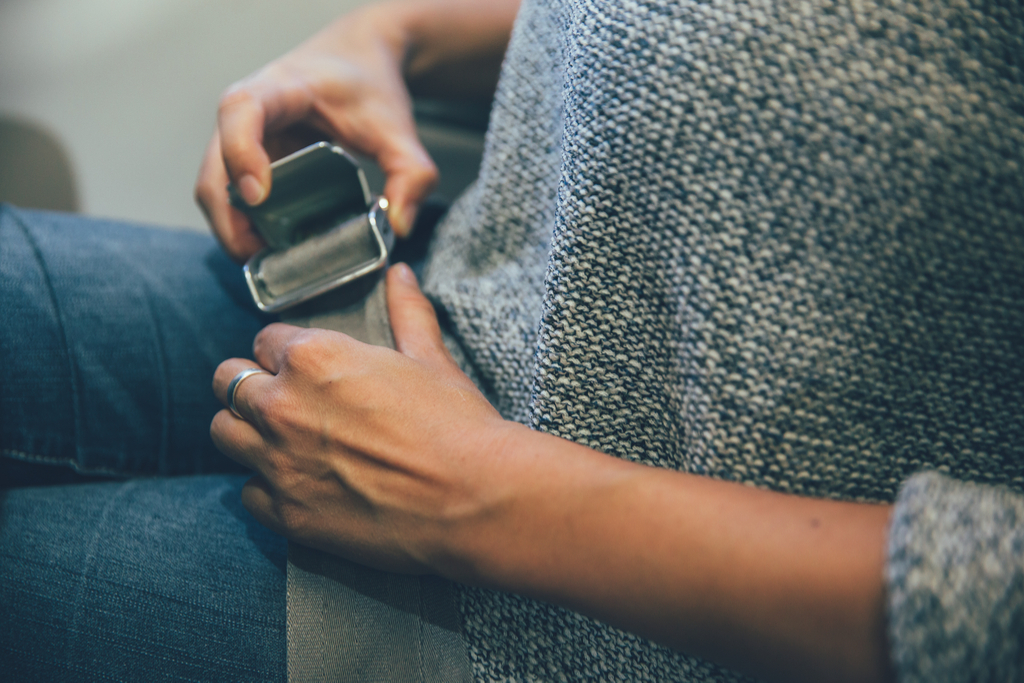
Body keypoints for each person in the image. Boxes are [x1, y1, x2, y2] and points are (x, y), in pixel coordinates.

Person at [2, 0, 1023, 681]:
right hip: (462, 295)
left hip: (588, 605)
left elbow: (988, 600)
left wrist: (473, 490)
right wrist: (398, 34)